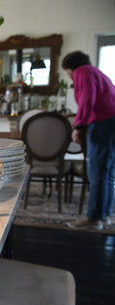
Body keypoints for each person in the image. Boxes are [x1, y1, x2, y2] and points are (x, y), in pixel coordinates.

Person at [62, 51, 115, 230]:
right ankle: (105, 215)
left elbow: (86, 99)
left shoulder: (82, 72)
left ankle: (94, 219)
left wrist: (78, 126)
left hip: (101, 125)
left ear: (69, 68)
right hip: (111, 122)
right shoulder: (96, 72)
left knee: (97, 172)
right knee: (107, 172)